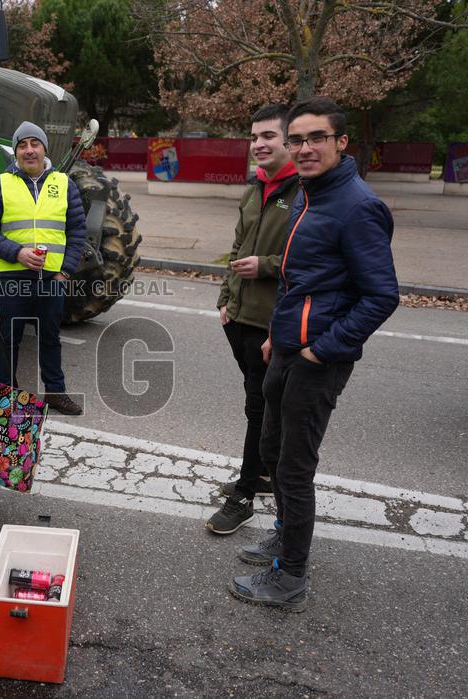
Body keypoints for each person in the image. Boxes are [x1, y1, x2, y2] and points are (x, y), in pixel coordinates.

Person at [229, 97, 399, 610]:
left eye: (315, 138)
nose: (304, 148)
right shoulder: (310, 194)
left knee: (295, 468)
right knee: (274, 453)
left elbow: (381, 296)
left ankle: (291, 576)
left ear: (341, 142)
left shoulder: (358, 205)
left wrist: (322, 351)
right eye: (297, 139)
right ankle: (284, 537)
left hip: (316, 358)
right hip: (285, 347)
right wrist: (276, 335)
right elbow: (299, 279)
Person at [206, 105, 299, 535]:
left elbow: (310, 262)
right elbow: (236, 244)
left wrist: (265, 265)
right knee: (254, 403)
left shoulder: (303, 192)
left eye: (268, 137)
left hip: (273, 324)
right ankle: (259, 475)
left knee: (262, 408)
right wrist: (226, 299)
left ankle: (245, 493)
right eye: (254, 136)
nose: (259, 144)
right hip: (239, 317)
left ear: (288, 140)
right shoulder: (255, 187)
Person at [0, 121, 86, 415]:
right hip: (11, 277)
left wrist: (65, 272)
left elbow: (77, 232)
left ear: (44, 148)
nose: (28, 150)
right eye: (22, 145)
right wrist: (18, 253)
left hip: (51, 278)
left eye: (34, 144)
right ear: (15, 152)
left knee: (50, 338)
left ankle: (56, 392)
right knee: (7, 339)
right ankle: (5, 395)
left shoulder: (64, 184)